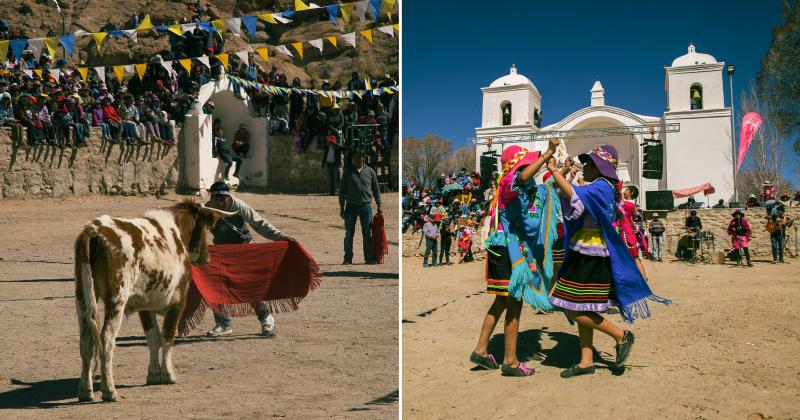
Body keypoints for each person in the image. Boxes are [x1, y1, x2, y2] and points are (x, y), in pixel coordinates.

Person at [546, 144, 669, 378]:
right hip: (587, 251)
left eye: (589, 163)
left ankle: (621, 336)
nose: (585, 167)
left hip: (591, 253)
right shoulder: (603, 187)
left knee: (568, 305)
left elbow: (573, 195)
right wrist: (561, 171)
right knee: (583, 306)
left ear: (599, 166)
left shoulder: (602, 186)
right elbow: (566, 192)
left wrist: (554, 171)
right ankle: (586, 361)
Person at [470, 139, 561, 377]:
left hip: (506, 250)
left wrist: (560, 169)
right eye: (525, 164)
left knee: (502, 302)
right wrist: (548, 153)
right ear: (516, 167)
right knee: (513, 303)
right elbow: (521, 179)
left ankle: (481, 350)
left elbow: (546, 189)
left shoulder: (521, 190)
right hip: (507, 250)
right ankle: (510, 361)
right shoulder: (510, 182)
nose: (528, 170)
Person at [204, 182, 293, 337]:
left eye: (222, 197)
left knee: (248, 286)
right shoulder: (205, 209)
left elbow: (259, 223)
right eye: (215, 198)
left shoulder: (239, 205)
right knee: (214, 286)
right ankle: (223, 324)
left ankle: (266, 318)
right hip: (222, 251)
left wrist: (280, 237)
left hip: (243, 248)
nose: (219, 201)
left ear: (228, 196)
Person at [339, 151, 382, 265]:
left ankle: (368, 258)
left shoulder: (370, 171)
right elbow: (342, 191)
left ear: (364, 159)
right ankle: (348, 258)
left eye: (359, 158)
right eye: (355, 158)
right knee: (349, 234)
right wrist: (341, 208)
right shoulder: (348, 172)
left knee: (367, 233)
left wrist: (379, 204)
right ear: (352, 159)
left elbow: (376, 189)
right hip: (350, 207)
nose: (357, 160)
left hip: (366, 206)